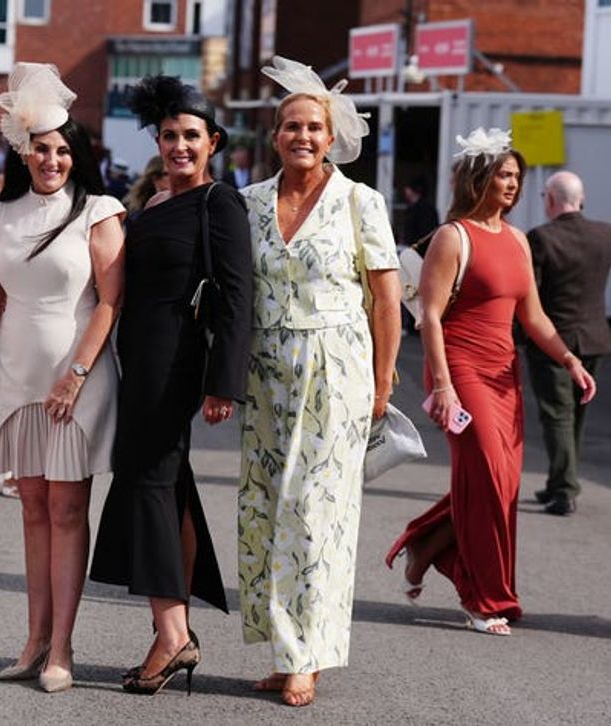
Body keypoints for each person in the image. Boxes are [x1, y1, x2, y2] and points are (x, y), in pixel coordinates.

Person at [385, 128, 597, 637]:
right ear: (480, 177)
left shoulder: (519, 240)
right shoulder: (452, 236)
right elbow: (430, 317)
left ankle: (425, 544)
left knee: (499, 484)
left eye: (517, 177)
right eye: (503, 174)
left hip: (505, 375)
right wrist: (442, 385)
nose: (512, 184)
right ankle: (482, 598)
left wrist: (569, 359)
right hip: (461, 370)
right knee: (486, 474)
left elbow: (535, 317)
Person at [236, 57, 400, 707]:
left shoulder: (361, 202)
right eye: (290, 126)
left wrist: (384, 383)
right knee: (265, 514)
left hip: (335, 370)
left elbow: (387, 302)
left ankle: (309, 655)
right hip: (265, 372)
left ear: (331, 137)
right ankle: (283, 646)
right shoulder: (249, 203)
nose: (301, 136)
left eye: (313, 126)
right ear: (275, 135)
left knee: (318, 517)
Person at [89, 75, 252, 695]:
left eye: (191, 136)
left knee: (149, 484)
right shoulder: (152, 203)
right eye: (169, 135)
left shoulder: (220, 203)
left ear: (213, 142)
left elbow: (238, 300)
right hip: (136, 360)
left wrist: (223, 384)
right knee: (165, 482)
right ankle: (175, 627)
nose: (179, 146)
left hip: (176, 363)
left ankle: (172, 634)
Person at [0, 62, 125, 693]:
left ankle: (62, 646)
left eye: (64, 149)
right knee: (33, 508)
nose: (53, 159)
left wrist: (77, 375)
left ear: (77, 155)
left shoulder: (100, 209)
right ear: (23, 150)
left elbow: (111, 302)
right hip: (15, 376)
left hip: (77, 380)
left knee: (67, 508)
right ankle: (33, 640)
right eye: (42, 148)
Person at [526, 171, 611, 515]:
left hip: (552, 342)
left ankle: (564, 490)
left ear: (549, 199)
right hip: (594, 339)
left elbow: (529, 295)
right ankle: (559, 481)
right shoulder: (604, 235)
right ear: (582, 198)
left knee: (557, 416)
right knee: (576, 415)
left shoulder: (541, 238)